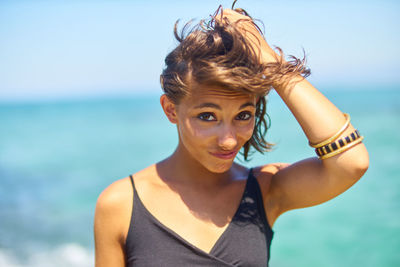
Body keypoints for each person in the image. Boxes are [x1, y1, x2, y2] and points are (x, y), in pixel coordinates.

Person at [94, 4, 369, 267]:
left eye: (243, 115)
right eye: (207, 116)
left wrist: (271, 63)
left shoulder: (264, 190)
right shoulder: (121, 204)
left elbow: (351, 163)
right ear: (170, 110)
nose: (228, 140)